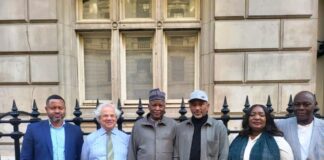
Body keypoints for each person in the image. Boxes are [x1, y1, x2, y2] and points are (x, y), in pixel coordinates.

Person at [20, 94, 84, 160]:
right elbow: (25, 157)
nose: (57, 111)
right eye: (53, 108)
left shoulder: (75, 131)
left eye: (60, 108)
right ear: (46, 109)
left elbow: (81, 156)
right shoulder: (33, 130)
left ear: (64, 109)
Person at [173, 90, 229, 160]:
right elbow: (176, 154)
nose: (197, 108)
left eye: (201, 104)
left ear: (207, 106)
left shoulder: (219, 128)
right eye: (194, 105)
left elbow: (224, 154)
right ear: (190, 107)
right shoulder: (180, 128)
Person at [229, 104, 294, 160]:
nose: (257, 117)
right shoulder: (236, 138)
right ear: (247, 119)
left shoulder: (277, 141)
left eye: (261, 115)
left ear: (267, 119)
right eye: (252, 115)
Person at [128, 88, 177, 160]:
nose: (157, 108)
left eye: (160, 105)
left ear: (164, 107)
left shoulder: (173, 125)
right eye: (154, 105)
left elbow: (176, 151)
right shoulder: (138, 126)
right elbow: (132, 152)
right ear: (149, 106)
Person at [276, 91, 324, 160]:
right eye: (297, 104)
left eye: (306, 104)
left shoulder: (322, 126)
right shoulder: (280, 125)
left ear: (315, 105)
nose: (301, 108)